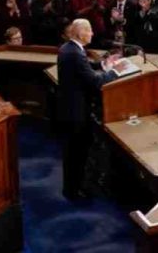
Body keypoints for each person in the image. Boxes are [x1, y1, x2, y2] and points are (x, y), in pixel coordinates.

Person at [57, 19, 119, 200]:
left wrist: (102, 65)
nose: (92, 33)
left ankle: (72, 188)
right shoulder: (75, 53)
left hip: (69, 108)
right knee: (76, 152)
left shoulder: (68, 48)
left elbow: (83, 69)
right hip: (75, 111)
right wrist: (115, 72)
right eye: (89, 30)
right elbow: (95, 81)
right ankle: (74, 191)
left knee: (73, 152)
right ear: (80, 33)